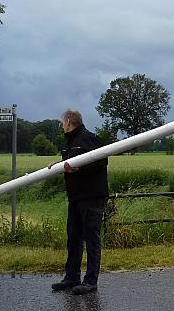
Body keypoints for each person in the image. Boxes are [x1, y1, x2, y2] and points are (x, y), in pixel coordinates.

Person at [50, 109, 109, 295]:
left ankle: (90, 281)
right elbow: (68, 166)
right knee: (73, 237)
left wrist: (78, 169)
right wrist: (56, 167)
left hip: (91, 196)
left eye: (62, 122)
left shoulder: (87, 138)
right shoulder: (70, 143)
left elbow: (101, 161)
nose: (61, 126)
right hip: (75, 197)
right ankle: (71, 277)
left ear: (68, 121)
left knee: (91, 238)